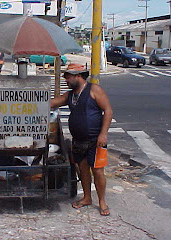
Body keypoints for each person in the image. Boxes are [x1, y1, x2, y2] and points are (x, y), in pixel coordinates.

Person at [51, 63, 113, 216]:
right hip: (78, 140)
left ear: (78, 76)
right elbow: (52, 103)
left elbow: (108, 110)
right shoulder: (70, 95)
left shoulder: (94, 90)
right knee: (83, 170)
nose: (66, 80)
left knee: (98, 171)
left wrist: (103, 134)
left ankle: (102, 202)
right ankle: (87, 198)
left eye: (68, 77)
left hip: (95, 140)